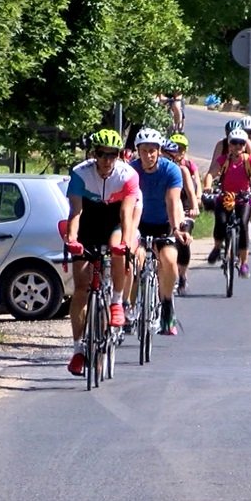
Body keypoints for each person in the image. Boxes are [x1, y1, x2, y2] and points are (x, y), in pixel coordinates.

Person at [64, 128, 140, 376]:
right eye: (102, 154)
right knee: (81, 289)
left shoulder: (128, 174)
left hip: (114, 219)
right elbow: (76, 212)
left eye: (113, 155)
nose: (107, 160)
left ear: (120, 155)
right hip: (89, 219)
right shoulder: (80, 173)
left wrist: (126, 243)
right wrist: (72, 239)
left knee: (118, 250)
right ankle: (78, 350)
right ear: (94, 154)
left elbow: (126, 214)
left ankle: (117, 302)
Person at [129, 128, 188, 335]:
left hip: (164, 223)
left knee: (169, 260)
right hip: (139, 223)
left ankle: (166, 304)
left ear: (159, 150)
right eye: (144, 151)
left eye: (153, 150)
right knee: (136, 259)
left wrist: (175, 228)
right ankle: (130, 307)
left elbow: (173, 201)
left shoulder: (171, 170)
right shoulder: (131, 170)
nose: (149, 155)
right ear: (138, 151)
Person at [203, 128, 251, 277]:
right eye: (234, 143)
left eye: (241, 144)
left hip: (243, 197)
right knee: (221, 220)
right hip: (226, 196)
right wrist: (208, 186)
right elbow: (211, 173)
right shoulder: (224, 160)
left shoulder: (249, 160)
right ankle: (217, 247)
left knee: (243, 225)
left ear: (245, 145)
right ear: (229, 145)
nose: (237, 147)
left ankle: (244, 263)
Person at [163, 134, 200, 295]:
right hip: (164, 210)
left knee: (183, 239)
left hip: (183, 208)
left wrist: (194, 207)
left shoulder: (183, 170)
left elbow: (191, 192)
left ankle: (182, 274)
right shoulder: (159, 171)